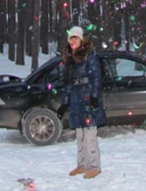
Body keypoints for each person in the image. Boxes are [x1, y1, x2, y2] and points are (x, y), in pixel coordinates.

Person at [58, 26, 105, 179]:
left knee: (90, 133)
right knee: (79, 134)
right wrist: (64, 103)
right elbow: (68, 83)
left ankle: (94, 165)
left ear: (81, 40)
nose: (73, 41)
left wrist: (93, 97)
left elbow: (96, 78)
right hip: (76, 99)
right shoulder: (70, 60)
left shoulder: (90, 56)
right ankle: (82, 164)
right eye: (71, 38)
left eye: (76, 38)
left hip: (87, 97)